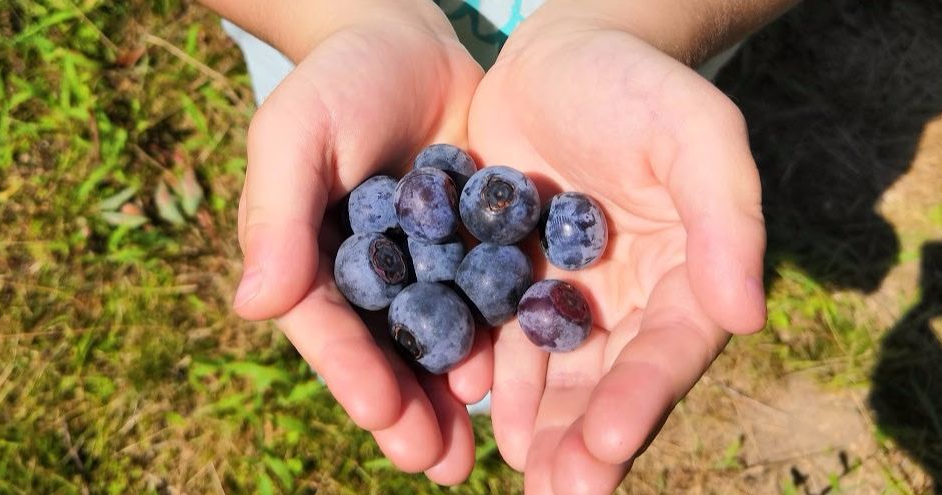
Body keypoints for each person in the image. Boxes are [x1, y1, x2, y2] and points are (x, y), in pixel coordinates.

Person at [201, 0, 798, 492]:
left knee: (484, 367)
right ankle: (479, 390)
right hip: (333, 65)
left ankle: (482, 392)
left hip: (648, 43)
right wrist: (339, 20)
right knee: (466, 366)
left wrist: (633, 23)